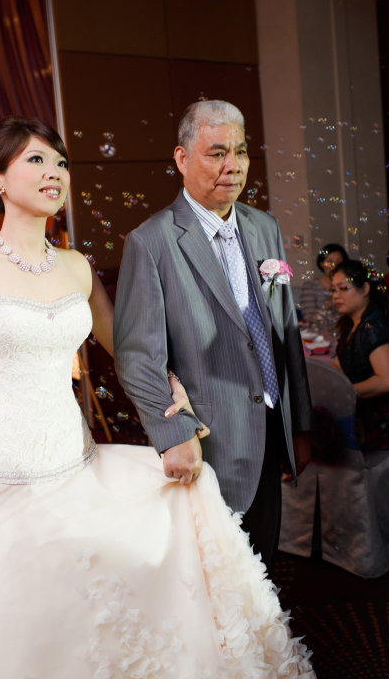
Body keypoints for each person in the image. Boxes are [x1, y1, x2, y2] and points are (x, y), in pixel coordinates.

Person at [0, 116, 315, 678]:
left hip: (75, 468)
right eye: (35, 160)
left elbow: (130, 351)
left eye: (60, 162)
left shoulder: (75, 266)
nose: (54, 173)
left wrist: (173, 391)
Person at [114, 100, 313, 580]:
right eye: (217, 153)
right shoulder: (152, 241)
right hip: (208, 439)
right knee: (217, 581)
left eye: (240, 152)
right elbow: (137, 356)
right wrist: (175, 435)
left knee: (264, 570)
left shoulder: (264, 227)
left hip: (271, 425)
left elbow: (285, 331)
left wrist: (299, 423)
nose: (233, 166)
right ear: (182, 159)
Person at [331, 260, 389, 470]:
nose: (336, 295)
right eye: (333, 290)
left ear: (365, 289)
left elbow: (388, 381)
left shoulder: (373, 326)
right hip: (366, 416)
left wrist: (346, 392)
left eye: (343, 288)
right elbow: (338, 366)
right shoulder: (353, 324)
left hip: (385, 423)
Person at [300, 243, 348, 321]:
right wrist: (327, 304)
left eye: (338, 261)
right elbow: (308, 318)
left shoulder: (349, 286)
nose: (334, 265)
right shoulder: (311, 286)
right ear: (322, 264)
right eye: (330, 261)